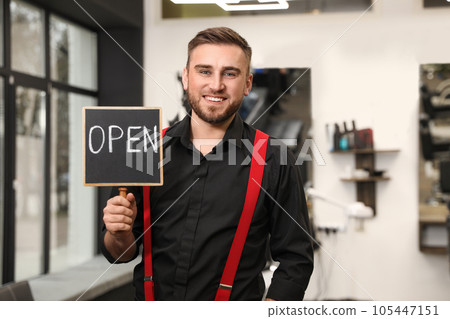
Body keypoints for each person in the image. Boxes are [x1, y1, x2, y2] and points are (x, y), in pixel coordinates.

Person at [102, 27, 314, 301]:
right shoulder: (145, 150)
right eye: (204, 71)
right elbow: (119, 254)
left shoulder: (276, 159)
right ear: (186, 78)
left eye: (230, 73)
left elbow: (297, 260)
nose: (216, 85)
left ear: (247, 83)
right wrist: (118, 233)